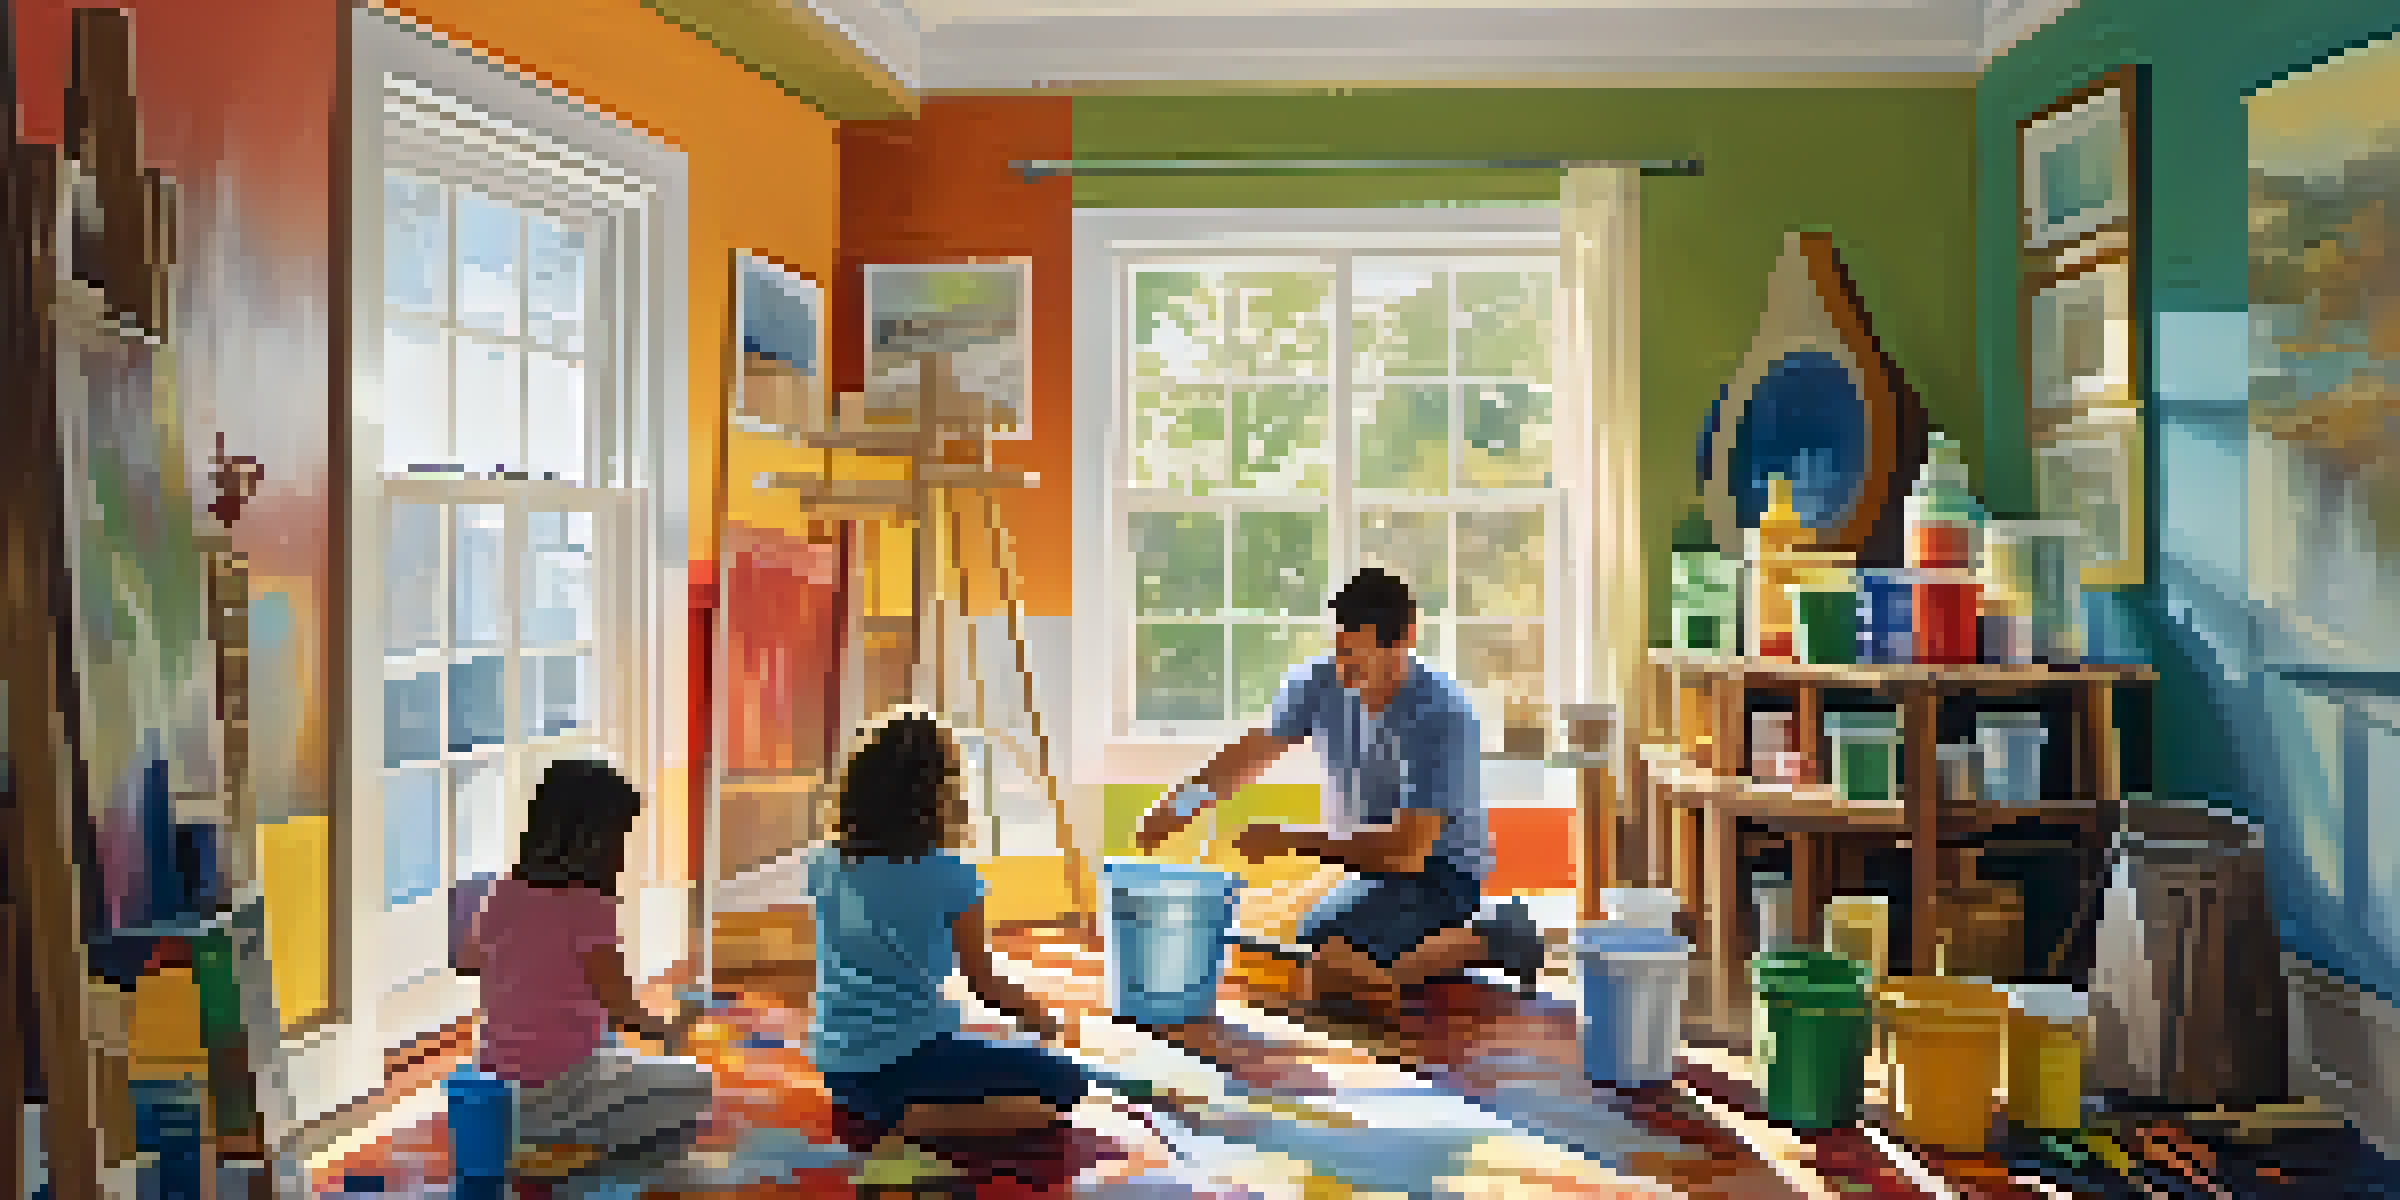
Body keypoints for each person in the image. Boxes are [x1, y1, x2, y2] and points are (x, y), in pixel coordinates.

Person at [1134, 568, 1544, 1027]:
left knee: (1323, 948)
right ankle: (1381, 969)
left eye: (1357, 657)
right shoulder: (1321, 681)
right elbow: (1250, 755)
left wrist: (1289, 839)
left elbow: (1406, 853)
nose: (1344, 671)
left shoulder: (1442, 715)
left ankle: (1494, 936)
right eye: (1339, 649)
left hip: (1440, 875)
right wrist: (1176, 807)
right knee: (1300, 948)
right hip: (1365, 867)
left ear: (1403, 639)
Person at [801, 707, 1090, 1147]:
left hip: (837, 1064)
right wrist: (1040, 1017)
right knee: (1067, 1083)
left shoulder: (822, 862)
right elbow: (985, 983)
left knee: (972, 1054)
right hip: (909, 1059)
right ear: (944, 796)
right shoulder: (953, 875)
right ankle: (918, 1122)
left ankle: (894, 1109)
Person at [457, 759, 714, 1180]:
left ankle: (553, 1143)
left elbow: (470, 962)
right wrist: (675, 1027)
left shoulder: (502, 890)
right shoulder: (589, 906)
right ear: (595, 841)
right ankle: (592, 1160)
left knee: (609, 1050)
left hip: (499, 1087)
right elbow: (625, 1012)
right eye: (619, 838)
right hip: (562, 1089)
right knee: (695, 1083)